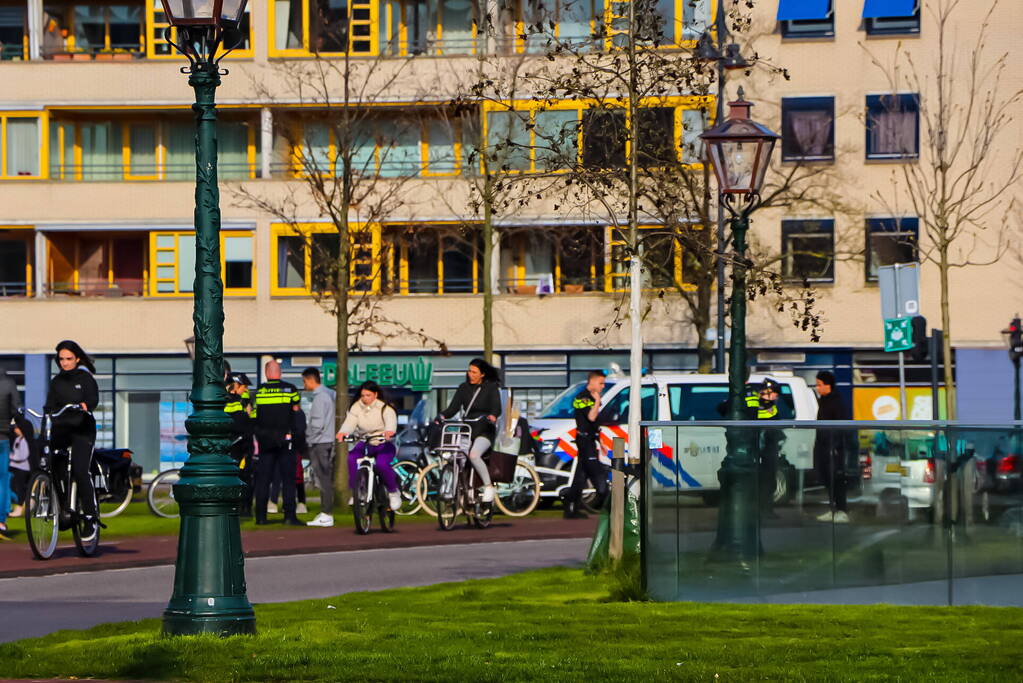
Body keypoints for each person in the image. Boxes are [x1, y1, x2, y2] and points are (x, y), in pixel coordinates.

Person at [45, 340, 100, 542]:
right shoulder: (56, 382)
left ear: (77, 358)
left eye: (68, 359)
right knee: (51, 466)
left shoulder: (85, 378)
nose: (65, 363)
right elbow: (50, 404)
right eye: (61, 359)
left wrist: (85, 405)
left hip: (82, 431)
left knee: (80, 469)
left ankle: (90, 517)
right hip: (62, 430)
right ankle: (62, 508)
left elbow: (93, 399)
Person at [437, 358, 502, 504]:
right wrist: (441, 416)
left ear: (482, 374)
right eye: (469, 371)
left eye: (474, 372)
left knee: (474, 455)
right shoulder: (463, 388)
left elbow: (496, 408)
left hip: (484, 429)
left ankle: (488, 486)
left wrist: (492, 416)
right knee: (455, 457)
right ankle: (452, 489)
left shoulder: (490, 388)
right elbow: (453, 408)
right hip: (467, 429)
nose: (470, 374)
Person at [252, 360, 304, 525]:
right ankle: (289, 516)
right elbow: (297, 414)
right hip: (285, 439)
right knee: (288, 479)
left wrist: (260, 434)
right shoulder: (291, 390)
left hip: (265, 440)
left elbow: (253, 416)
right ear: (280, 373)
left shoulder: (258, 392)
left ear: (267, 373)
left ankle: (260, 517)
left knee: (263, 480)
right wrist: (296, 435)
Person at [337, 381, 402, 511]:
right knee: (351, 459)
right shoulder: (356, 408)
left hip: (383, 443)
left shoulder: (385, 408)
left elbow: (390, 420)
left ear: (375, 395)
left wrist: (389, 431)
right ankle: (358, 491)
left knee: (382, 464)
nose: (365, 398)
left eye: (368, 395)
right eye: (363, 395)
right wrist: (343, 432)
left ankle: (393, 492)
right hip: (365, 442)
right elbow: (350, 422)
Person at [564, 370, 609, 519]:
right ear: (592, 382)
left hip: (590, 439)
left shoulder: (592, 397)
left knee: (580, 477)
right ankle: (608, 504)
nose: (603, 386)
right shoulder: (582, 398)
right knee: (597, 473)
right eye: (601, 383)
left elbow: (595, 424)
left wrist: (600, 440)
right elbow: (591, 417)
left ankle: (571, 508)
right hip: (584, 441)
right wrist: (597, 401)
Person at [814, 370, 851, 523]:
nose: (817, 388)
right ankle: (832, 508)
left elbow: (841, 426)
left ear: (828, 385)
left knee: (836, 478)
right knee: (826, 478)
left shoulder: (836, 402)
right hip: (822, 446)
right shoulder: (823, 400)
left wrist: (834, 445)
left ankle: (842, 510)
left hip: (834, 448)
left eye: (819, 385)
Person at [303, 367, 337, 527]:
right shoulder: (328, 395)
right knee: (324, 477)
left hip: (320, 442)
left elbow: (317, 423)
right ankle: (326, 513)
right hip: (325, 440)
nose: (304, 385)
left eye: (304, 381)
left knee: (323, 478)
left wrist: (308, 438)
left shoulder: (320, 397)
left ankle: (326, 513)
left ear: (310, 380)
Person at [749, 378, 785, 518]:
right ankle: (762, 510)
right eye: (775, 393)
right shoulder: (757, 405)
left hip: (769, 449)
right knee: (763, 481)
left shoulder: (770, 406)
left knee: (769, 481)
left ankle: (766, 509)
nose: (776, 396)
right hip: (763, 450)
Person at [225, 373, 254, 517]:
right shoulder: (232, 401)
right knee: (242, 477)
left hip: (242, 445)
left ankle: (245, 508)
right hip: (237, 445)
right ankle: (241, 508)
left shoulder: (243, 399)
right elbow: (240, 422)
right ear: (236, 386)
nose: (246, 389)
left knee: (245, 476)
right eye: (244, 386)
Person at [0, 366, 18, 539]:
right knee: (3, 479)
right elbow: (15, 409)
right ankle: (1, 521)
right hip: (2, 436)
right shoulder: (8, 383)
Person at [8, 423, 31, 519]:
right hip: (16, 468)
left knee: (19, 489)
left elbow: (24, 455)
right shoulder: (18, 439)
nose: (15, 430)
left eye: (17, 428)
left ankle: (20, 508)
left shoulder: (24, 440)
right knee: (14, 487)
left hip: (23, 469)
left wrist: (12, 457)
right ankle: (15, 507)